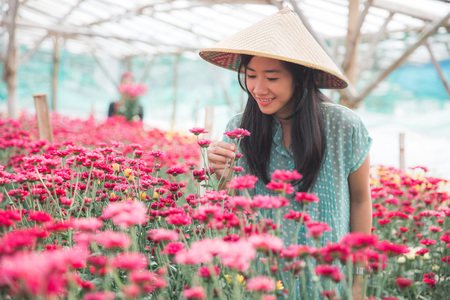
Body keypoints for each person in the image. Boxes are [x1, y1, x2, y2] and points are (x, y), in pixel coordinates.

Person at [200, 6, 372, 299]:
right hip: (261, 282)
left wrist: (359, 280)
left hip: (328, 283)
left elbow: (360, 199)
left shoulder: (344, 125)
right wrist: (219, 177)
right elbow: (233, 209)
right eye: (251, 75)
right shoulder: (238, 129)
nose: (258, 88)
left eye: (272, 77)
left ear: (301, 78)